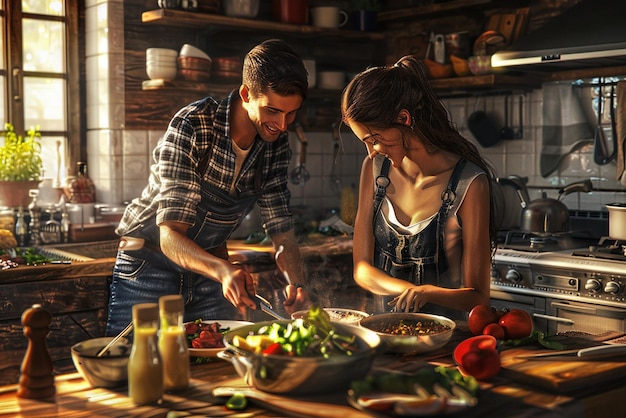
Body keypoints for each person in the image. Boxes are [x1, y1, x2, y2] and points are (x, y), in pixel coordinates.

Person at [105, 39, 311, 336]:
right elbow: (169, 236)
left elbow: (280, 229)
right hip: (148, 265)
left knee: (219, 364)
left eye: (291, 114)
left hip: (210, 273)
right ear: (246, 94)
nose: (282, 126)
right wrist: (224, 270)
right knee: (136, 366)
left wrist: (297, 282)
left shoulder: (275, 144)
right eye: (273, 111)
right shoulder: (194, 124)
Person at [341, 55, 501, 320]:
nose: (371, 152)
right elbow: (362, 270)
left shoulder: (469, 184)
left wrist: (428, 293)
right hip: (386, 334)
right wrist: (413, 291)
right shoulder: (374, 170)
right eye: (365, 143)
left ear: (403, 118)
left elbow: (478, 296)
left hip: (448, 342)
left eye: (375, 139)